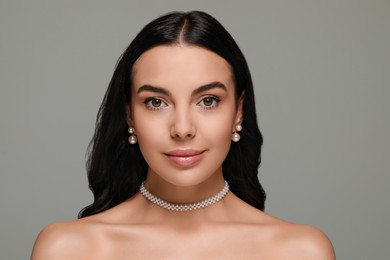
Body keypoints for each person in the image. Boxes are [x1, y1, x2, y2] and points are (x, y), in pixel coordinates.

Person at [31, 11, 335, 259]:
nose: (182, 129)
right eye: (156, 102)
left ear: (239, 111)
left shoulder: (300, 251)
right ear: (129, 115)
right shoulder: (68, 249)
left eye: (208, 101)